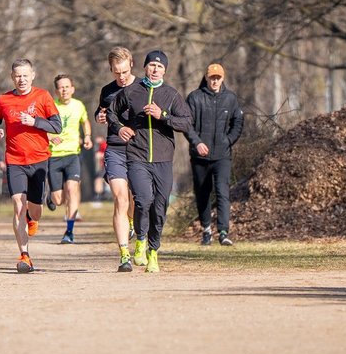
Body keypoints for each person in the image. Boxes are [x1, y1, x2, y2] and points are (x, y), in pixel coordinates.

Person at [109, 50, 192, 273]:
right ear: (145, 67)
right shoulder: (131, 91)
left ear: (165, 70)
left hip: (164, 158)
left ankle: (153, 252)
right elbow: (111, 113)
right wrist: (121, 128)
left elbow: (186, 123)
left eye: (160, 67)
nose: (155, 70)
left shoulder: (171, 95)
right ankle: (141, 240)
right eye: (152, 66)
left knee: (160, 205)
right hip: (137, 155)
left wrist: (162, 115)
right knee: (143, 199)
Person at [0, 58, 61, 273]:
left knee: (34, 211)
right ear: (12, 77)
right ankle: (25, 256)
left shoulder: (43, 96)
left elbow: (57, 126)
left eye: (25, 75)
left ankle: (32, 217)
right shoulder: (4, 100)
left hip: (39, 160)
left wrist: (35, 122)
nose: (21, 79)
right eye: (18, 75)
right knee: (18, 205)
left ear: (33, 76)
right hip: (15, 160)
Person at [185, 63, 245, 246]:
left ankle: (224, 232)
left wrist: (228, 140)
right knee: (202, 193)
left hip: (222, 155)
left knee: (222, 192)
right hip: (199, 157)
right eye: (212, 77)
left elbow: (238, 121)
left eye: (218, 78)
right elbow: (187, 125)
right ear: (206, 77)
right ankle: (206, 230)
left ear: (223, 78)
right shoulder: (195, 98)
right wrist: (197, 143)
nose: (215, 81)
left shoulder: (230, 98)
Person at [96, 46, 139, 272]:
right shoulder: (107, 90)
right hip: (114, 149)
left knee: (135, 199)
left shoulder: (143, 87)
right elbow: (100, 112)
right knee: (120, 198)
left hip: (139, 150)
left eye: (123, 71)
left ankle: (132, 222)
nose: (121, 77)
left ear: (131, 64)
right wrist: (100, 116)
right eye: (116, 72)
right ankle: (124, 255)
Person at [46, 73, 92, 244]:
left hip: (73, 154)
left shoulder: (79, 105)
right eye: (60, 87)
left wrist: (87, 136)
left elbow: (85, 122)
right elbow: (41, 128)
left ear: (72, 89)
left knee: (73, 190)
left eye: (67, 86)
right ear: (56, 91)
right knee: (59, 200)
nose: (64, 90)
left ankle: (69, 232)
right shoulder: (50, 106)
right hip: (54, 156)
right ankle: (50, 197)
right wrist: (50, 138)